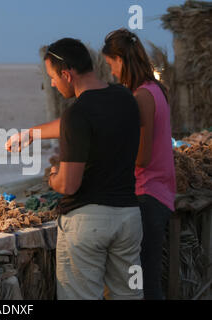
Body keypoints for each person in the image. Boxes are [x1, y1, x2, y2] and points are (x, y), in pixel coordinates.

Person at [6, 38, 143, 299]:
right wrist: (31, 133)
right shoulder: (124, 98)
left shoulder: (77, 114)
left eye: (53, 78)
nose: (52, 85)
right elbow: (86, 120)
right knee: (130, 295)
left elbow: (69, 185)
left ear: (67, 75)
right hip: (128, 218)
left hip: (89, 224)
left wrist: (53, 176)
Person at [102, 29, 176, 300]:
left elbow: (141, 157)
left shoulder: (142, 97)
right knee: (149, 278)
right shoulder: (157, 89)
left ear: (120, 59)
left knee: (141, 283)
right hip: (161, 193)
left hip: (147, 196)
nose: (111, 73)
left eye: (111, 65)